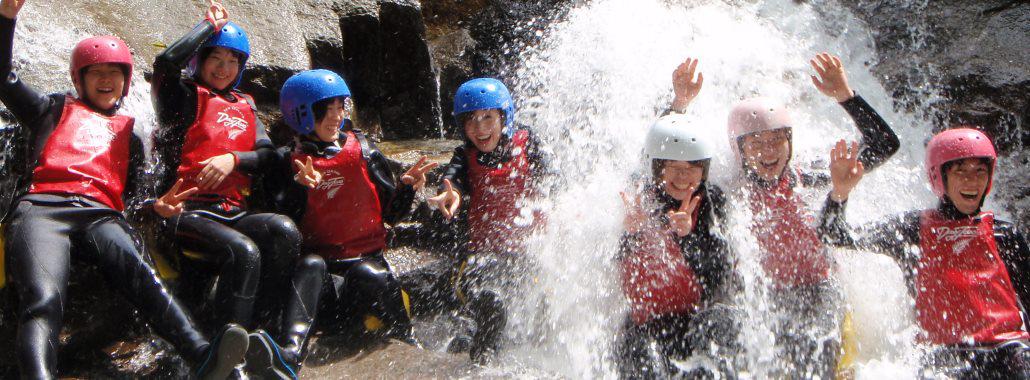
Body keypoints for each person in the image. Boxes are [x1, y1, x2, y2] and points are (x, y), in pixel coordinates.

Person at [0, 0, 247, 378]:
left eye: (114, 74)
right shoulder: (51, 110)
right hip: (43, 210)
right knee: (43, 299)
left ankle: (206, 358)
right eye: (95, 73)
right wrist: (6, 20)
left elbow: (131, 202)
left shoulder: (129, 137)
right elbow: (3, 79)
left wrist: (156, 206)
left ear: (126, 81)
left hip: (101, 215)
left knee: (148, 282)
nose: (105, 80)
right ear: (78, 79)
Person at [671, 53, 900, 377]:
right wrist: (679, 105)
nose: (769, 151)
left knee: (810, 348)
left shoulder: (814, 177)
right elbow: (667, 163)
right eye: (757, 142)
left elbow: (885, 144)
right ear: (739, 148)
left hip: (817, 292)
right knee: (716, 329)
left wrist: (845, 96)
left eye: (778, 140)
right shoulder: (725, 192)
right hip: (759, 299)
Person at [247, 69, 437, 378]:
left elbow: (390, 215)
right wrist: (298, 187)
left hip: (365, 279)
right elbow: (282, 231)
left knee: (366, 272)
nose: (337, 117)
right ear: (302, 113)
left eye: (340, 107)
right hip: (323, 288)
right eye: (328, 109)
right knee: (310, 264)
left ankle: (406, 335)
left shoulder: (364, 151)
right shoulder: (285, 161)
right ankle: (288, 356)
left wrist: (406, 188)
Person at [820, 128, 1030, 378]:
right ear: (939, 176)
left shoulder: (1005, 234)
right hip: (944, 356)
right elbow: (835, 235)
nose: (971, 181)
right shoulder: (911, 230)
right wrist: (840, 193)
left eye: (979, 171)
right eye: (960, 171)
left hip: (1008, 350)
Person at [150, 1, 302, 331]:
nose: (224, 68)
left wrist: (232, 158)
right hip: (184, 212)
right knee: (244, 252)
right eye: (216, 59)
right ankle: (224, 346)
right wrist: (207, 26)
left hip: (232, 211)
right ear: (200, 61)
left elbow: (268, 156)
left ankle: (259, 333)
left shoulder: (245, 105)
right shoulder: (183, 98)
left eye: (232, 61)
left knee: (284, 232)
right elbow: (164, 63)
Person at [427, 77, 550, 363]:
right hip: (483, 253)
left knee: (531, 292)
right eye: (471, 120)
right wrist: (451, 193)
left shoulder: (527, 143)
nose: (480, 128)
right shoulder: (464, 154)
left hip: (527, 253)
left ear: (504, 117)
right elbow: (452, 178)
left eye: (488, 118)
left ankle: (494, 338)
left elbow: (554, 180)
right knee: (482, 291)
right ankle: (485, 345)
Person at [616, 115, 741, 378]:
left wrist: (686, 237)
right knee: (640, 358)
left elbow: (719, 272)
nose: (683, 176)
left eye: (692, 167)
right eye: (673, 166)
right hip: (648, 324)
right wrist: (632, 234)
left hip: (699, 317)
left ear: (704, 170)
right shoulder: (641, 199)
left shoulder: (712, 201)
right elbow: (620, 269)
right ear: (659, 168)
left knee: (719, 330)